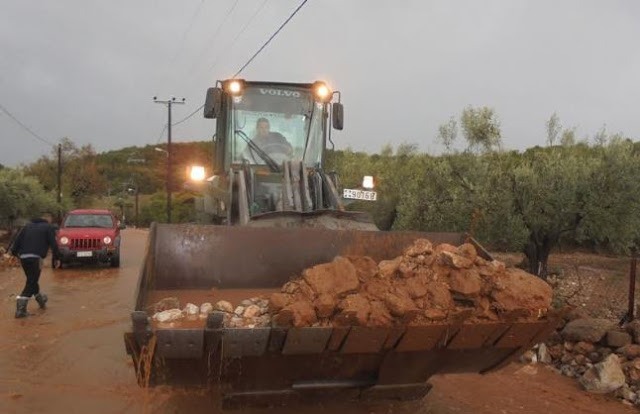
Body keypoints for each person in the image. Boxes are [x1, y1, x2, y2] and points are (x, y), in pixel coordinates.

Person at [10, 211, 61, 318]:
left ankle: (41, 300)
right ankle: (21, 310)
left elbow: (16, 242)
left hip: (24, 258)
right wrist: (57, 258)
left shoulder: (27, 227)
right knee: (31, 282)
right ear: (48, 219)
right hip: (36, 258)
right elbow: (53, 244)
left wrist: (15, 254)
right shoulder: (48, 227)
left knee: (32, 280)